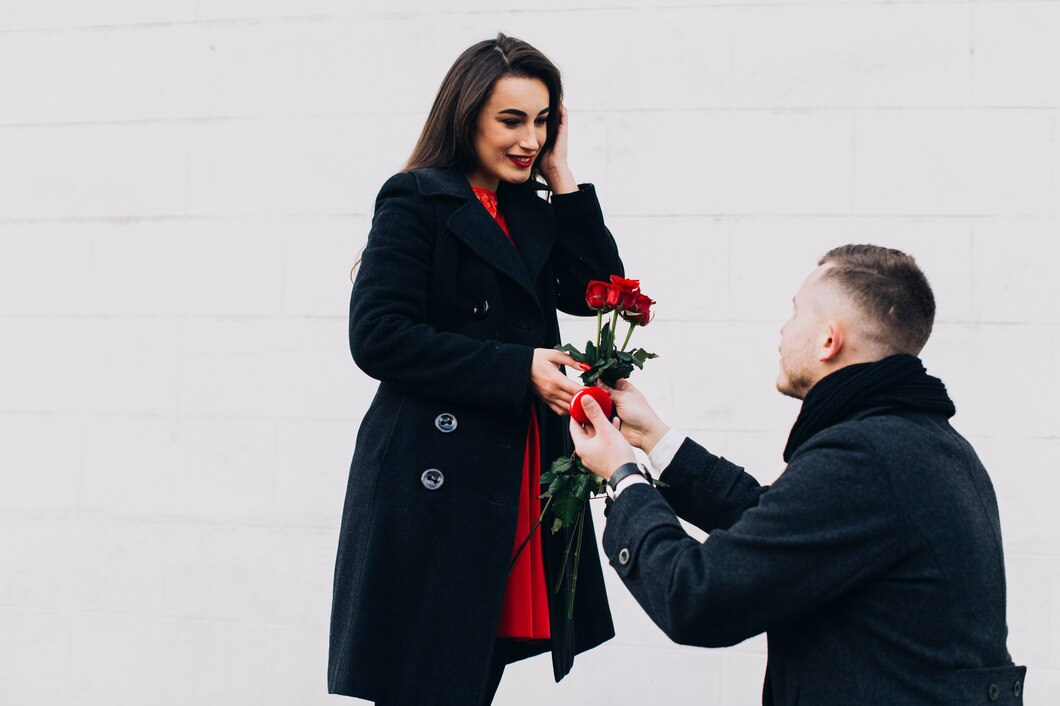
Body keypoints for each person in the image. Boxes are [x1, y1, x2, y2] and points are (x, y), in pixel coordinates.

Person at [570, 245, 1026, 705]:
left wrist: (623, 477)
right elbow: (784, 531)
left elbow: (696, 597)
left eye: (794, 313)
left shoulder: (864, 457)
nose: (783, 331)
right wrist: (656, 438)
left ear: (829, 340)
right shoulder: (931, 445)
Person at [328, 34, 620, 706]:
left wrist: (564, 176)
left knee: (466, 672)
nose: (529, 139)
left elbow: (599, 288)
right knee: (427, 679)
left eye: (542, 121)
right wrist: (518, 368)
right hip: (433, 472)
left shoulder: (529, 211)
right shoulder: (416, 199)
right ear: (467, 118)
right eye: (512, 120)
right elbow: (376, 336)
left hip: (508, 471)